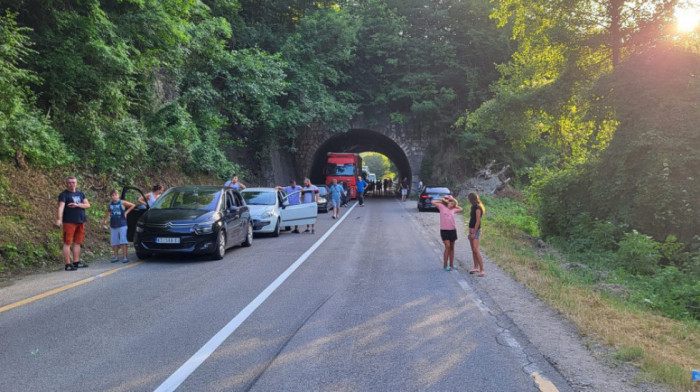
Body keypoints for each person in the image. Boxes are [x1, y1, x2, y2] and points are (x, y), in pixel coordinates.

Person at [56, 176, 91, 271]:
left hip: (80, 220)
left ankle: (76, 262)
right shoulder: (64, 194)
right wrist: (59, 219)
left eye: (73, 182)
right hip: (69, 221)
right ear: (67, 184)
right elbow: (61, 207)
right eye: (70, 182)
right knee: (67, 242)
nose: (72, 184)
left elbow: (87, 205)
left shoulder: (81, 194)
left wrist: (77, 205)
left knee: (77, 242)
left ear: (76, 183)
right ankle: (68, 264)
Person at [102, 189, 136, 263]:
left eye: (116, 195)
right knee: (114, 242)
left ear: (118, 195)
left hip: (122, 224)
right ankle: (116, 257)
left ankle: (125, 257)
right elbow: (109, 211)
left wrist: (126, 212)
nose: (114, 197)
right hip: (113, 224)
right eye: (113, 195)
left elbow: (133, 205)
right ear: (111, 196)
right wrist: (104, 220)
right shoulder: (110, 204)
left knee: (123, 241)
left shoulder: (122, 202)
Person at [431, 196, 463, 271]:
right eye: (451, 203)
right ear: (448, 202)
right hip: (444, 230)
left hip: (452, 230)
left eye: (453, 204)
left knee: (452, 248)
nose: (452, 205)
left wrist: (455, 205)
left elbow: (461, 209)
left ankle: (451, 264)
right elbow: (432, 202)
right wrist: (443, 201)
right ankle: (445, 265)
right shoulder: (441, 207)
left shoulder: (454, 209)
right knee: (447, 246)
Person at [467, 192, 486, 277]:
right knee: (473, 250)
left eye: (468, 198)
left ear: (471, 199)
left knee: (476, 249)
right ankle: (476, 267)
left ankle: (482, 270)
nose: (467, 200)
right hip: (471, 229)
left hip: (476, 230)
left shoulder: (478, 208)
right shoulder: (473, 207)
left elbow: (478, 221)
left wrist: (474, 233)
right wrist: (470, 232)